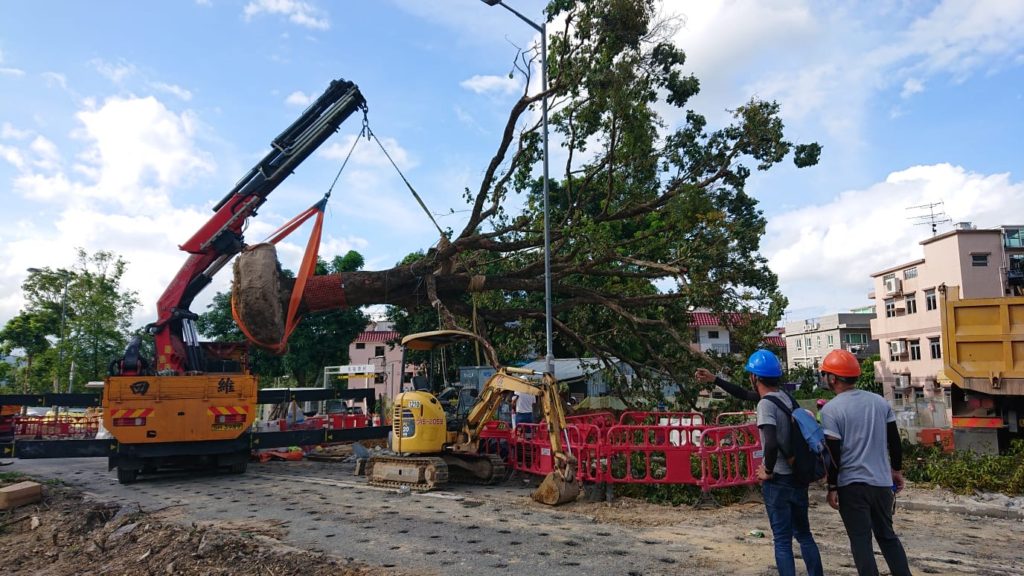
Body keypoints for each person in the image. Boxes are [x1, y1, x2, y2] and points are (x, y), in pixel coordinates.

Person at [696, 350, 824, 576]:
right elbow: (744, 394)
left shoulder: (766, 405)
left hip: (778, 481)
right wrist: (714, 379)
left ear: (755, 377)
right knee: (804, 535)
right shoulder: (785, 397)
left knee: (782, 540)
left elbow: (771, 443)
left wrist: (766, 470)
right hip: (797, 477)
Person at [818, 349, 911, 576]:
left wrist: (832, 486)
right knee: (887, 536)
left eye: (825, 374)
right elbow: (895, 442)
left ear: (832, 378)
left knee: (861, 541)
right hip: (881, 485)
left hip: (852, 486)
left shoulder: (831, 410)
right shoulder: (879, 402)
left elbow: (834, 454)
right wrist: (896, 470)